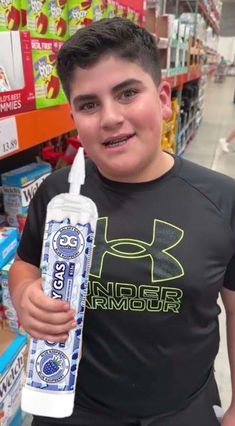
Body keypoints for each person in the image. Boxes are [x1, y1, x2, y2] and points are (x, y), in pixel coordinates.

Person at [9, 17, 235, 426]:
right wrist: (25, 294)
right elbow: (25, 264)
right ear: (74, 116)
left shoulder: (222, 199)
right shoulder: (60, 194)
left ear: (164, 98)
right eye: (89, 104)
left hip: (183, 410)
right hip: (74, 409)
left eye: (127, 93)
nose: (110, 117)